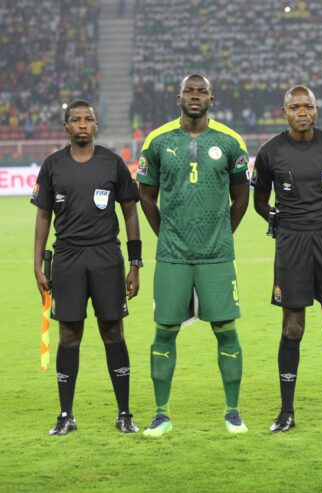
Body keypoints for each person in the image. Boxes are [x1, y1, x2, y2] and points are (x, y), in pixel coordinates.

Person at [137, 74, 250, 436]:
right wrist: (167, 234)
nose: (195, 96)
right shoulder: (158, 141)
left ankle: (233, 412)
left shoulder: (230, 141)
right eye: (190, 91)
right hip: (172, 255)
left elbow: (241, 197)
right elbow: (146, 195)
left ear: (211, 99)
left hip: (217, 255)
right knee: (165, 331)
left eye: (202, 91)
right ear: (179, 97)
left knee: (226, 331)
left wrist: (220, 234)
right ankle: (160, 414)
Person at [252, 85, 322, 433]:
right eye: (295, 107)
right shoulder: (270, 151)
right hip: (292, 244)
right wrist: (278, 221)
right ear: (284, 111)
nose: (302, 112)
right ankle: (286, 412)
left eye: (308, 107)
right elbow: (259, 201)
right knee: (293, 327)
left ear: (316, 111)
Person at [32, 99, 141, 436]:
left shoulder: (113, 163)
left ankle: (124, 414)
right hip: (67, 259)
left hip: (107, 257)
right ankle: (66, 415)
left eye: (88, 119)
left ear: (96, 125)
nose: (82, 124)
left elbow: (130, 212)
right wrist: (37, 264)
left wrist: (135, 263)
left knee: (113, 332)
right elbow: (43, 215)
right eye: (75, 119)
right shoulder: (52, 165)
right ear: (66, 126)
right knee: (69, 335)